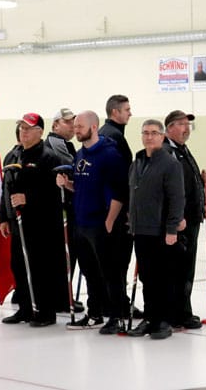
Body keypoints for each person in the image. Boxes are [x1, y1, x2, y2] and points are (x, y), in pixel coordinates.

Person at [57, 110, 128, 333]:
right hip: (82, 223)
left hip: (102, 224)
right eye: (75, 126)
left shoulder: (110, 155)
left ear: (94, 127)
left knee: (110, 273)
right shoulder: (80, 155)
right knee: (90, 272)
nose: (75, 130)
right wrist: (66, 185)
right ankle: (94, 313)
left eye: (79, 126)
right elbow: (82, 187)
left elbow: (119, 192)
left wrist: (109, 221)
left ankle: (117, 316)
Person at [0, 113, 66, 327]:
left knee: (40, 267)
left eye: (28, 128)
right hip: (18, 224)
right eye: (21, 128)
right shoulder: (13, 156)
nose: (23, 132)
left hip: (42, 225)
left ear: (40, 132)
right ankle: (25, 309)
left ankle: (45, 311)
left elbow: (56, 194)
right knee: (19, 265)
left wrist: (29, 198)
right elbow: (6, 189)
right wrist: (4, 217)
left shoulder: (49, 158)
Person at [126, 120, 185, 340]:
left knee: (162, 278)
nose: (149, 137)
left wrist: (172, 228)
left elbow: (176, 198)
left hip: (161, 231)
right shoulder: (138, 161)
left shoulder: (170, 164)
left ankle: (163, 321)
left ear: (162, 137)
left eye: (154, 133)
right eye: (146, 133)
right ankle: (150, 318)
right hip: (140, 230)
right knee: (146, 278)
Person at [163, 110, 206, 329]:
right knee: (178, 269)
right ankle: (178, 314)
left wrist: (200, 181)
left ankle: (183, 311)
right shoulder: (167, 152)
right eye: (181, 124)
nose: (186, 129)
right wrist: (176, 218)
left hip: (191, 219)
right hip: (180, 221)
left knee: (185, 268)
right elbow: (169, 189)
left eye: (188, 125)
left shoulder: (181, 150)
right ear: (170, 127)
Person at [98, 95, 138, 317]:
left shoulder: (108, 134)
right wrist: (123, 212)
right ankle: (118, 305)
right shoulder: (112, 137)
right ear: (115, 112)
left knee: (112, 261)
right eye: (127, 109)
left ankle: (113, 303)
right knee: (118, 260)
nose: (130, 113)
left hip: (107, 208)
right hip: (115, 209)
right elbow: (120, 180)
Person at [46, 107, 82, 314]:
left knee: (69, 253)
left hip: (67, 205)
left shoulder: (66, 144)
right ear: (56, 125)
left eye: (74, 122)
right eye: (68, 122)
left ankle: (63, 295)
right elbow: (73, 168)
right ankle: (61, 297)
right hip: (61, 207)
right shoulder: (56, 145)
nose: (72, 126)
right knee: (65, 253)